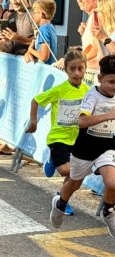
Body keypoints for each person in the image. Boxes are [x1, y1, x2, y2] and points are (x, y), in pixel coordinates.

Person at [50, 55, 115, 238]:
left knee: (112, 182)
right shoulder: (91, 96)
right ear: (100, 78)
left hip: (108, 146)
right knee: (74, 183)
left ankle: (108, 211)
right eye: (110, 82)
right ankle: (60, 203)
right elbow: (82, 121)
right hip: (86, 147)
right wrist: (108, 115)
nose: (114, 86)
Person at [27, 50, 89, 216]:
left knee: (74, 173)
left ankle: (63, 199)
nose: (77, 73)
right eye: (72, 69)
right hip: (59, 137)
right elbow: (36, 100)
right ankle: (53, 160)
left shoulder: (88, 91)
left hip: (77, 138)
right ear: (66, 70)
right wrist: (33, 122)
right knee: (66, 170)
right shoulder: (60, 90)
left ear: (85, 69)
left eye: (80, 69)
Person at [76, 0, 103, 70]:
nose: (79, 0)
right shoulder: (92, 17)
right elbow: (90, 46)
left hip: (95, 72)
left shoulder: (97, 16)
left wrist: (74, 62)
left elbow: (96, 50)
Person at [24, 0, 57, 65]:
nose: (32, 15)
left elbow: (44, 57)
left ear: (42, 14)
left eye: (34, 12)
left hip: (45, 69)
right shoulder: (51, 27)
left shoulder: (43, 29)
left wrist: (30, 49)